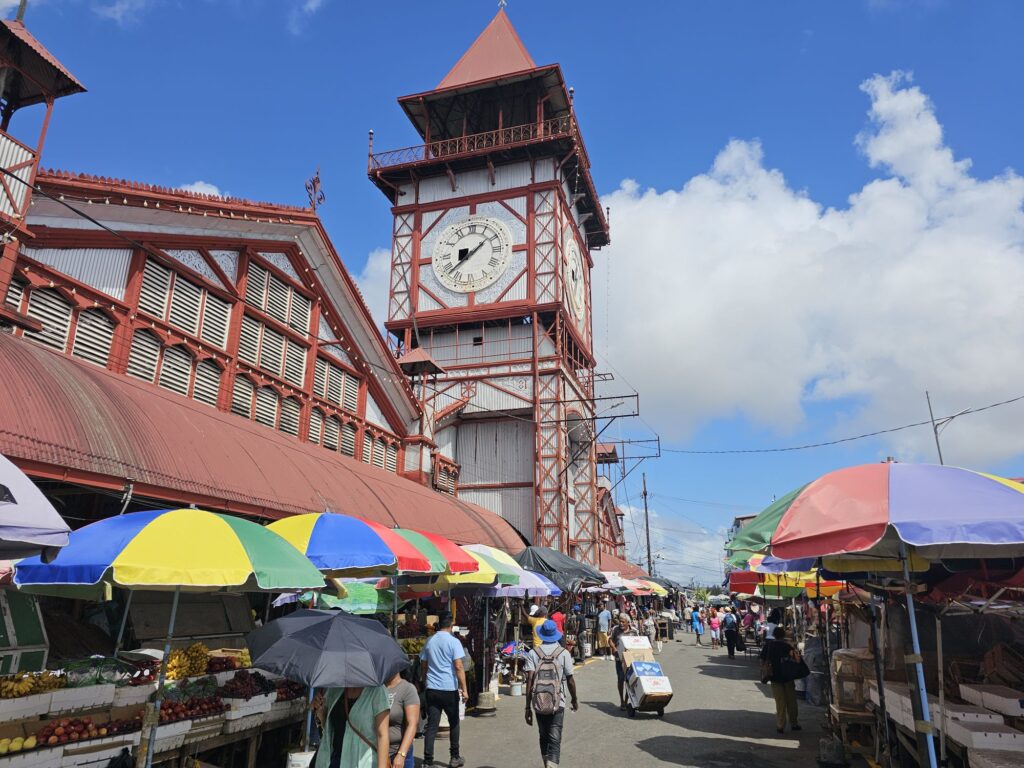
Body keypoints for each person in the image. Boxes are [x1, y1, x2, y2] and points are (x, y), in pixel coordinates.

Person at [524, 619, 578, 768]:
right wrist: (574, 699)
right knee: (555, 737)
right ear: (556, 634)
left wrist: (527, 707)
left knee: (543, 735)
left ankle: (546, 763)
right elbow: (570, 680)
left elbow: (529, 680)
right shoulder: (564, 653)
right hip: (558, 701)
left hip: (539, 701)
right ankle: (551, 765)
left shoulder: (533, 653)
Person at [420, 614, 468, 768]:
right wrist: (464, 689)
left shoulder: (430, 641)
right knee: (454, 723)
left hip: (432, 688)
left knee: (432, 725)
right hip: (449, 688)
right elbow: (459, 666)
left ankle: (428, 761)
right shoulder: (454, 642)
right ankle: (454, 757)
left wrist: (425, 680)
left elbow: (423, 664)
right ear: (451, 625)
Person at [314, 686, 391, 768]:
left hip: (363, 762)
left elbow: (383, 735)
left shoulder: (377, 690)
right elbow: (328, 727)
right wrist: (319, 710)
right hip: (334, 760)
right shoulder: (335, 688)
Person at [761, 626, 802, 734]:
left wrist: (764, 670)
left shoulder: (768, 646)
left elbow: (763, 660)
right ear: (783, 635)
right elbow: (797, 659)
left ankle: (780, 725)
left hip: (774, 677)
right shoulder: (787, 646)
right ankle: (794, 723)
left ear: (773, 635)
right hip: (788, 676)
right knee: (791, 701)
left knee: (780, 702)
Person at [385, 673, 419, 768]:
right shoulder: (376, 689)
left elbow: (412, 724)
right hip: (377, 751)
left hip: (398, 752)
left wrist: (401, 755)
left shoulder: (407, 689)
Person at [609, 613, 638, 711]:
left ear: (628, 622)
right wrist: (613, 648)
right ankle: (622, 700)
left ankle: (626, 700)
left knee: (629, 680)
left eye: (623, 622)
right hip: (619, 659)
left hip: (631, 659)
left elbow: (639, 642)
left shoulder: (634, 631)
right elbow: (610, 640)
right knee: (621, 679)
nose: (621, 623)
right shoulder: (615, 629)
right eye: (620, 621)